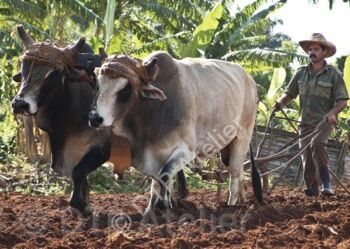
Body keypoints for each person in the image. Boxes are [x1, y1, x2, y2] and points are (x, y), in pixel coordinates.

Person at [273, 33, 349, 197]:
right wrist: (279, 104)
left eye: (315, 49)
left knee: (317, 144)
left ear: (324, 52)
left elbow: (343, 101)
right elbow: (290, 94)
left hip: (324, 122)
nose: (312, 52)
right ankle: (312, 190)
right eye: (310, 49)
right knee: (306, 158)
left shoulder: (333, 74)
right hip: (304, 123)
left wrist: (332, 113)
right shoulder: (301, 73)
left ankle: (326, 185)